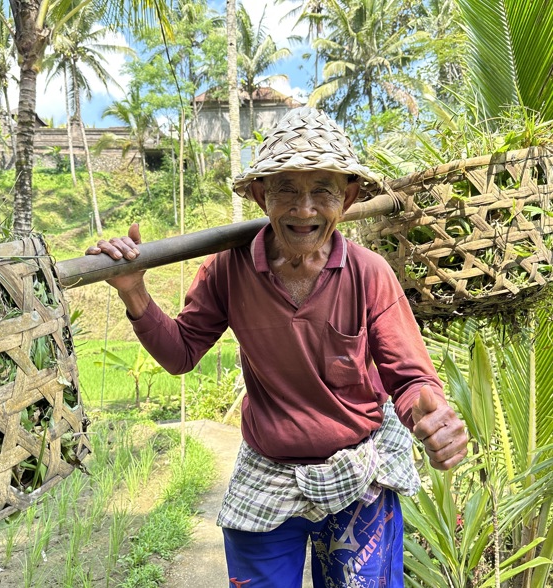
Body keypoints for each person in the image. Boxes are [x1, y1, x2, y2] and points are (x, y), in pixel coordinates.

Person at [86, 107, 468, 588]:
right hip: (269, 471)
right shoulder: (228, 269)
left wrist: (429, 417)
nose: (303, 209)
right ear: (260, 195)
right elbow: (181, 354)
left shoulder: (369, 274)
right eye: (286, 188)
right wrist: (133, 291)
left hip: (356, 468)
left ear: (347, 198)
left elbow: (410, 380)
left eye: (322, 190)